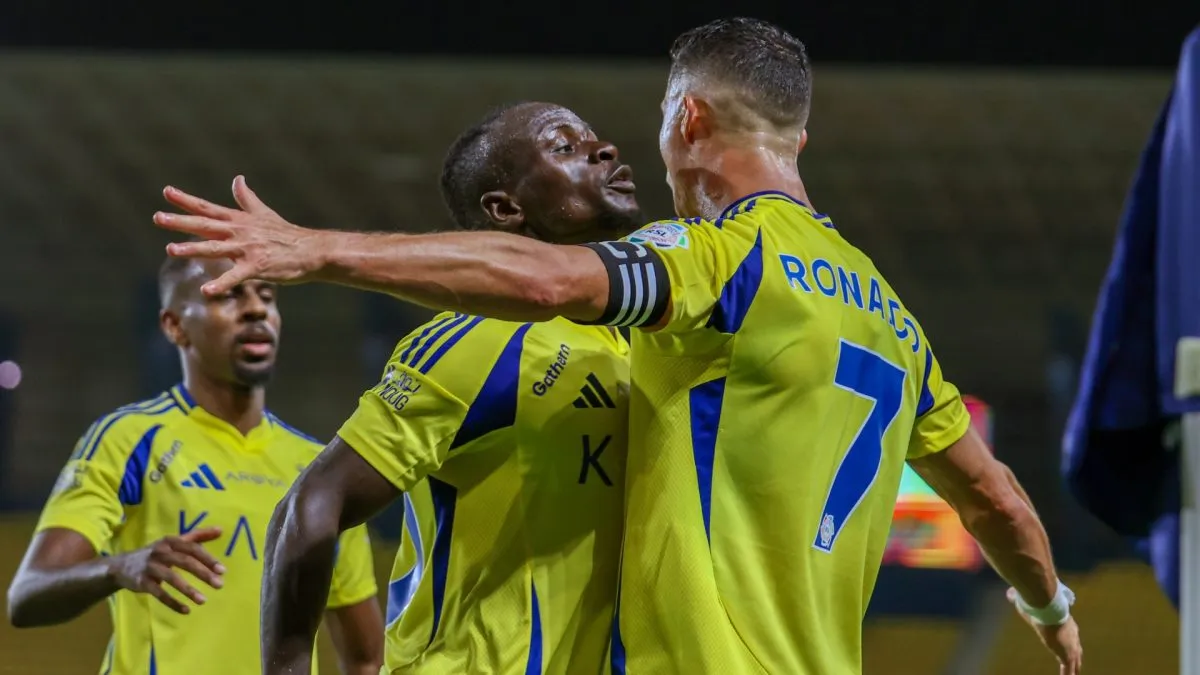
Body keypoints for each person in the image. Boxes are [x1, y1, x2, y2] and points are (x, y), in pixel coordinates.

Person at [153, 17, 1083, 675]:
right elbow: (995, 495)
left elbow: (553, 282)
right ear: (800, 133)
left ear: (687, 122)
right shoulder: (892, 318)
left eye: (613, 135)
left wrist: (316, 249)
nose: (608, 153)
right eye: (572, 145)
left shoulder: (714, 265)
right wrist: (1050, 610)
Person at [255, 102, 641, 675]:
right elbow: (311, 504)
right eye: (564, 147)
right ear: (505, 209)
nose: (603, 149)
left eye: (594, 139)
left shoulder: (642, 336)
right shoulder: (481, 337)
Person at [6, 257, 384, 675]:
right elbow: (27, 595)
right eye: (228, 294)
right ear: (174, 326)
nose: (257, 309)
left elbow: (365, 658)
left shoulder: (320, 469)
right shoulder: (128, 438)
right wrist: (120, 566)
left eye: (266, 295)